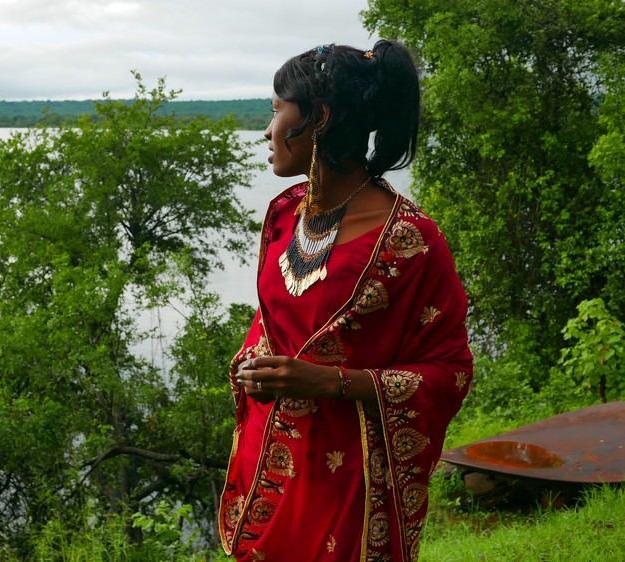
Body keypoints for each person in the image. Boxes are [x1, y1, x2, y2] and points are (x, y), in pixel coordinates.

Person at [219, 40, 473, 561]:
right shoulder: (285, 213)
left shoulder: (410, 240)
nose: (266, 131)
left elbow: (450, 370)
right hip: (270, 464)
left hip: (350, 482)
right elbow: (274, 320)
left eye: (276, 110)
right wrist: (253, 364)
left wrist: (330, 382)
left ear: (319, 117)